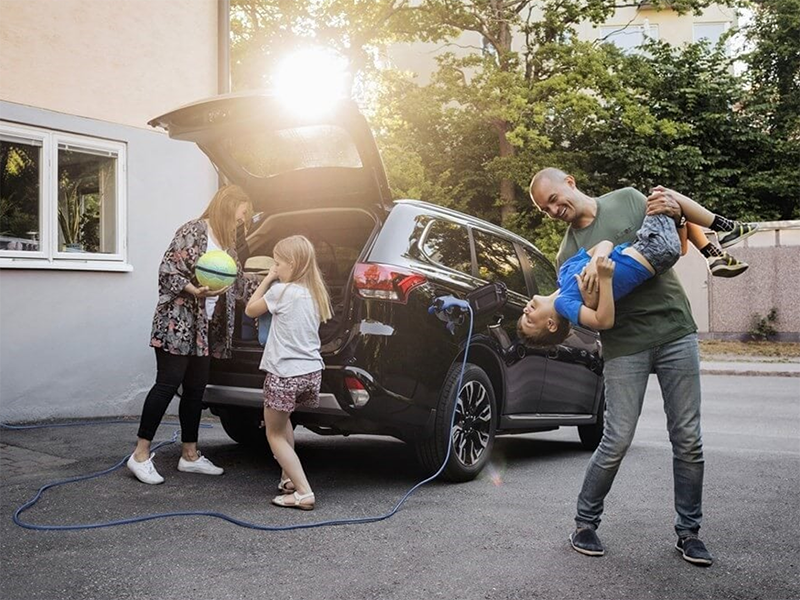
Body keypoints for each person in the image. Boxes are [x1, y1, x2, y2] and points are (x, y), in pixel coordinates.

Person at [529, 167, 719, 566]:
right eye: (545, 208)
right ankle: (585, 522)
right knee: (615, 440)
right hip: (623, 344)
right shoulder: (566, 254)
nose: (553, 209)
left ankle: (689, 533)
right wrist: (602, 273)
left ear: (570, 183)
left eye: (553, 198)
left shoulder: (629, 199)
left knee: (688, 438)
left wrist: (616, 247)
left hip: (673, 328)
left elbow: (673, 246)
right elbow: (596, 310)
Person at [127, 184, 256, 485]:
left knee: (196, 391)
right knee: (167, 385)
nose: (242, 220)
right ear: (228, 206)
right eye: (242, 214)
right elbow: (168, 269)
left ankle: (190, 455)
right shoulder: (194, 230)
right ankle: (140, 455)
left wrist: (276, 281)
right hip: (176, 324)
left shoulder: (227, 247)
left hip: (203, 330)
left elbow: (236, 284)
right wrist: (193, 290)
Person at [518, 188, 756, 345]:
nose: (525, 311)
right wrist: (605, 278)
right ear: (551, 324)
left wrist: (594, 262)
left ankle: (714, 251)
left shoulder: (564, 272)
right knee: (662, 194)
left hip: (645, 244)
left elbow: (604, 243)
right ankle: (722, 231)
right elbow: (604, 321)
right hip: (653, 252)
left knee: (664, 201)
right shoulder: (564, 304)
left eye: (523, 316)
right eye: (529, 321)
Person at [245, 235, 332, 511]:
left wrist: (268, 278)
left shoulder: (281, 291)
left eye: (278, 263)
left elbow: (250, 309)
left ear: (292, 264)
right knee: (284, 425)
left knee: (273, 434)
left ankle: (304, 492)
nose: (276, 268)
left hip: (284, 373)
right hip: (310, 372)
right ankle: (289, 480)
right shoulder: (316, 294)